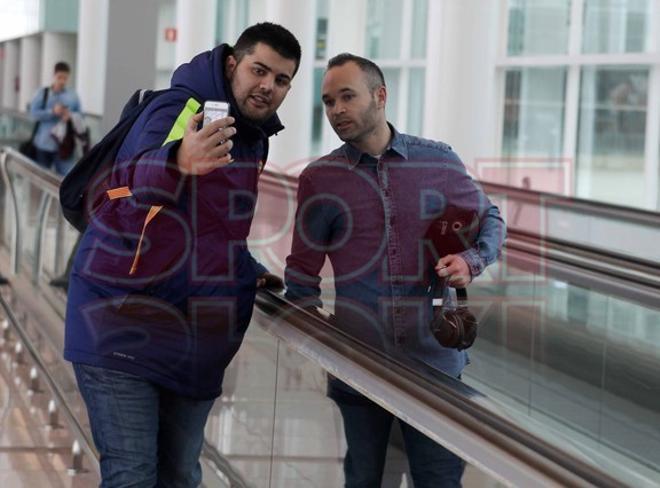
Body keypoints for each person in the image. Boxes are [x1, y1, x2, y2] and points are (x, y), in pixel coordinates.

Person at [64, 23, 301, 486]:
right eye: (259, 70)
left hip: (194, 333)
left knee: (178, 476)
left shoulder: (253, 138)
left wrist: (241, 266)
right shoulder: (181, 109)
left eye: (282, 79)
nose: (268, 86)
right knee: (133, 475)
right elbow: (120, 188)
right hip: (120, 321)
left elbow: (211, 223)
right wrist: (175, 162)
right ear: (233, 63)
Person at [285, 53, 506, 487]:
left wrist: (469, 261)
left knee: (439, 479)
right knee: (366, 479)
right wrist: (319, 342)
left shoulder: (438, 162)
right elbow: (301, 274)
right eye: (328, 101)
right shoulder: (320, 179)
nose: (336, 111)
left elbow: (491, 219)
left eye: (347, 97)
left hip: (435, 366)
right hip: (361, 367)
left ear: (380, 96)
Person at [29, 61, 82, 176]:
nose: (62, 81)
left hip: (65, 146)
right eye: (59, 77)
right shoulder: (42, 93)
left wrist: (71, 116)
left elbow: (81, 115)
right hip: (44, 144)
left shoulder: (73, 95)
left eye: (65, 78)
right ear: (54, 76)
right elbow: (33, 114)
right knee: (41, 179)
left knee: (65, 179)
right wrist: (52, 112)